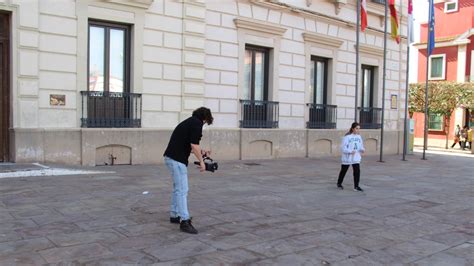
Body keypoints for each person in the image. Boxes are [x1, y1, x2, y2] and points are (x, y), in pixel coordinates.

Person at [163, 107, 213, 234]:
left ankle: (175, 215)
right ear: (205, 118)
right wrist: (202, 162)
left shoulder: (189, 122)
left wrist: (201, 153)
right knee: (182, 190)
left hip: (171, 157)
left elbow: (188, 145)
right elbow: (194, 145)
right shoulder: (197, 123)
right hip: (177, 160)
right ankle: (184, 221)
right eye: (206, 122)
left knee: (177, 188)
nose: (205, 124)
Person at [337, 122, 365, 192]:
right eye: (356, 128)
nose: (358, 130)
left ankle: (356, 186)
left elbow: (361, 146)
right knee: (343, 171)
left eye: (359, 129)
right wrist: (349, 151)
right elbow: (342, 148)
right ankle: (339, 183)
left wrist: (362, 149)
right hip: (347, 158)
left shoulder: (359, 137)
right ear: (353, 129)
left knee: (357, 171)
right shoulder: (347, 137)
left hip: (356, 158)